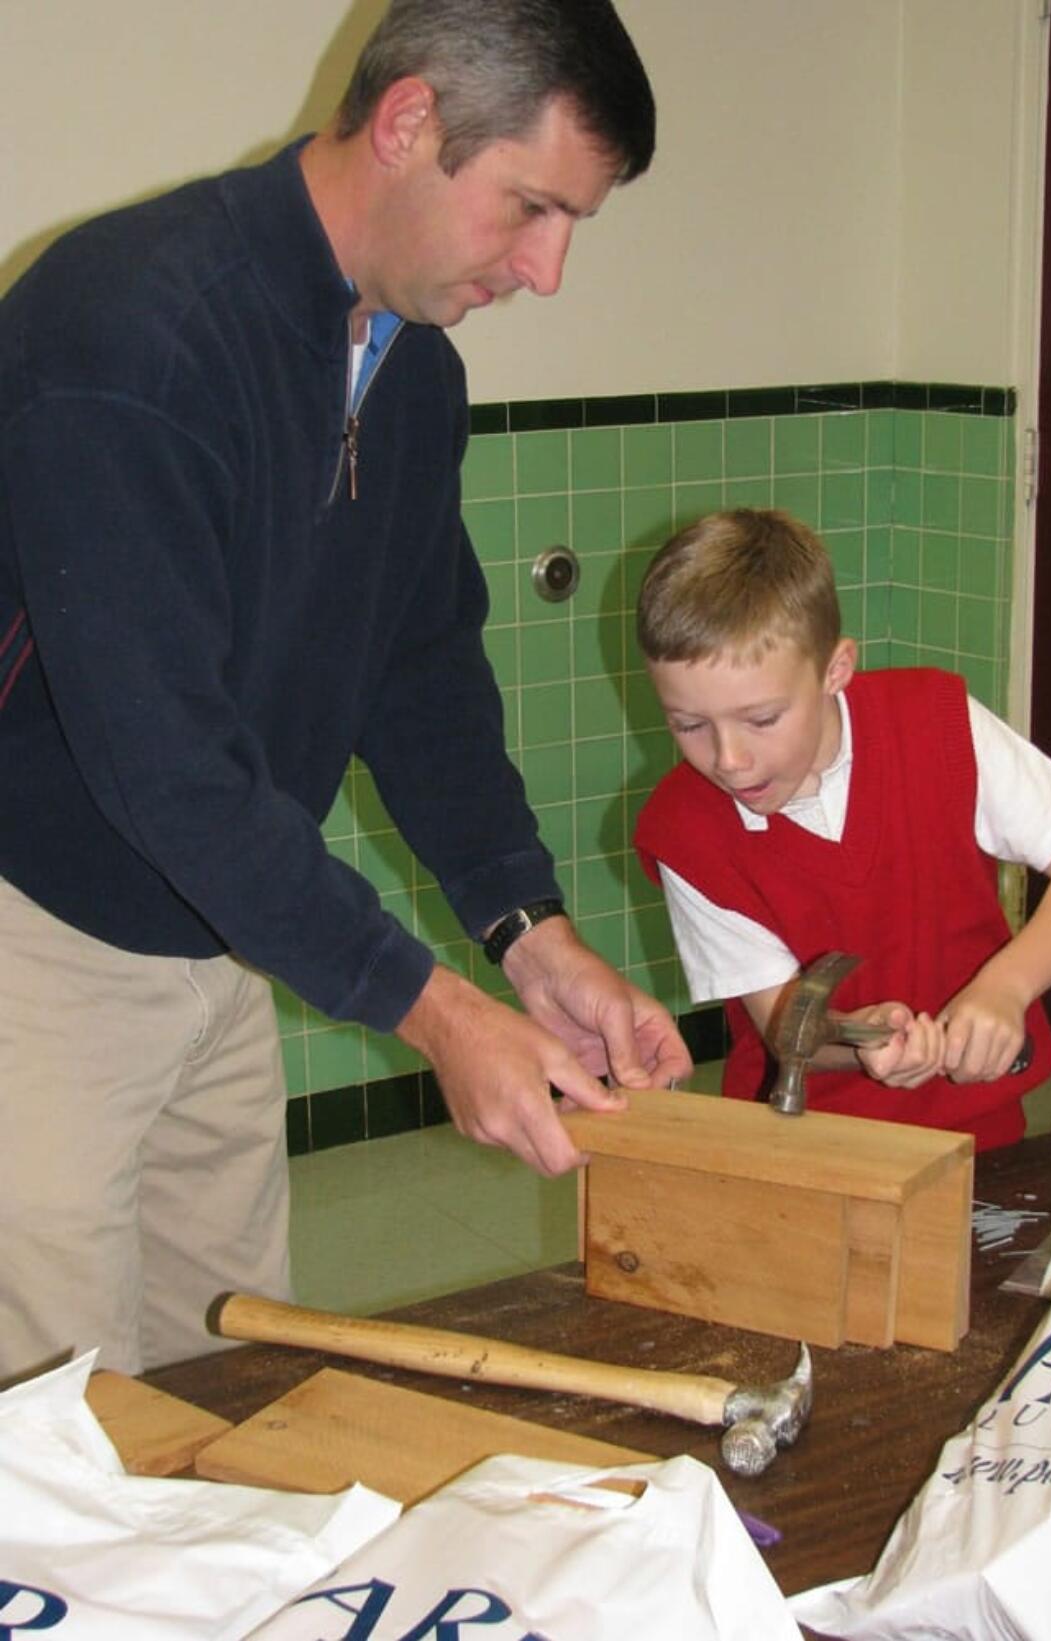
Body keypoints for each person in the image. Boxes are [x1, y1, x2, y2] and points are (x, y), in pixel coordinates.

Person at [0, 0, 691, 1383]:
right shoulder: (126, 328)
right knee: (54, 1433)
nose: (548, 270)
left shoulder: (412, 370)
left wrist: (528, 932)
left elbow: (421, 668)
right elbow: (167, 765)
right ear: (409, 121)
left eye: (575, 226)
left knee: (234, 1367)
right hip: (39, 939)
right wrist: (431, 1009)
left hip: (221, 939)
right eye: (531, 210)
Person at [634, 508, 1051, 1148]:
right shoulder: (685, 832)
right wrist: (856, 1037)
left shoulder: (936, 724)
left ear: (835, 670)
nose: (729, 760)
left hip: (981, 1136)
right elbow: (786, 1030)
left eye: (761, 719)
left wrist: (1008, 987)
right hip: (804, 1149)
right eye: (688, 725)